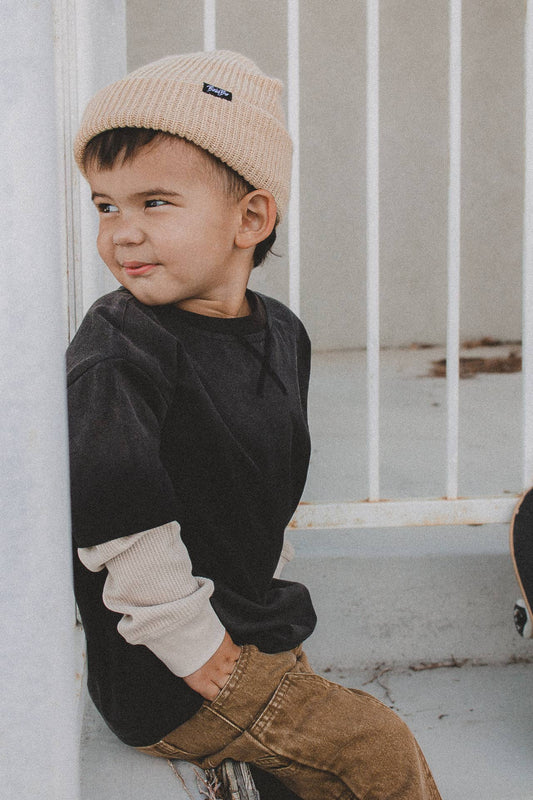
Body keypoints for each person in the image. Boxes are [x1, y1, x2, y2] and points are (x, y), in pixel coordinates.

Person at [67, 50, 442, 800]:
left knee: (323, 736)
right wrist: (198, 653)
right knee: (376, 745)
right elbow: (116, 512)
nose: (122, 233)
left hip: (248, 630)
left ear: (250, 218)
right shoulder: (119, 346)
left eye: (155, 203)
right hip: (167, 667)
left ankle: (254, 778)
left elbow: (249, 482)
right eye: (106, 205)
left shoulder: (281, 334)